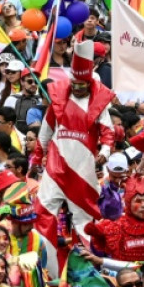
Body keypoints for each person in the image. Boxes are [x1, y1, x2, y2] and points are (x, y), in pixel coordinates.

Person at [34, 40, 115, 234]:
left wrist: (104, 152)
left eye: (81, 85)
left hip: (83, 167)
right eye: (74, 85)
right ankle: (42, 254)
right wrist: (37, 157)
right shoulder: (58, 100)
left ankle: (88, 258)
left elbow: (108, 132)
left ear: (89, 83)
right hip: (56, 165)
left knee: (85, 217)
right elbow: (45, 133)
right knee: (43, 210)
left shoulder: (98, 102)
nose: (77, 89)